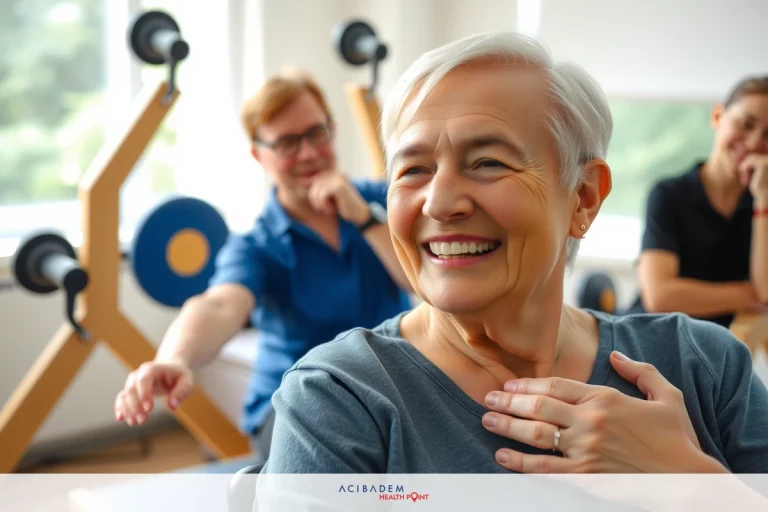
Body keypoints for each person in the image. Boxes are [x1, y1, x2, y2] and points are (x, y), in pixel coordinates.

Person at [260, 33, 768, 477]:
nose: (438, 202)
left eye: (486, 162)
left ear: (583, 197)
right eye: (412, 170)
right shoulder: (339, 399)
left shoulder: (705, 367)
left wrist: (690, 482)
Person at [112, 70, 412, 458]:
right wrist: (174, 359)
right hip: (298, 404)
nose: (307, 153)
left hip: (388, 388)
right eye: (287, 143)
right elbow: (219, 305)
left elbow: (424, 281)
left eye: (316, 134)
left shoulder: (382, 198)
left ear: (332, 131)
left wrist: (364, 218)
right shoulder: (257, 245)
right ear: (259, 154)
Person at [628, 76, 768, 329]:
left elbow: (765, 292)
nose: (755, 143)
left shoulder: (762, 209)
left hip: (711, 352)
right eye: (746, 124)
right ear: (717, 116)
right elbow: (659, 297)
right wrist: (747, 294)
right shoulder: (668, 194)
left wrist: (764, 196)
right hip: (646, 335)